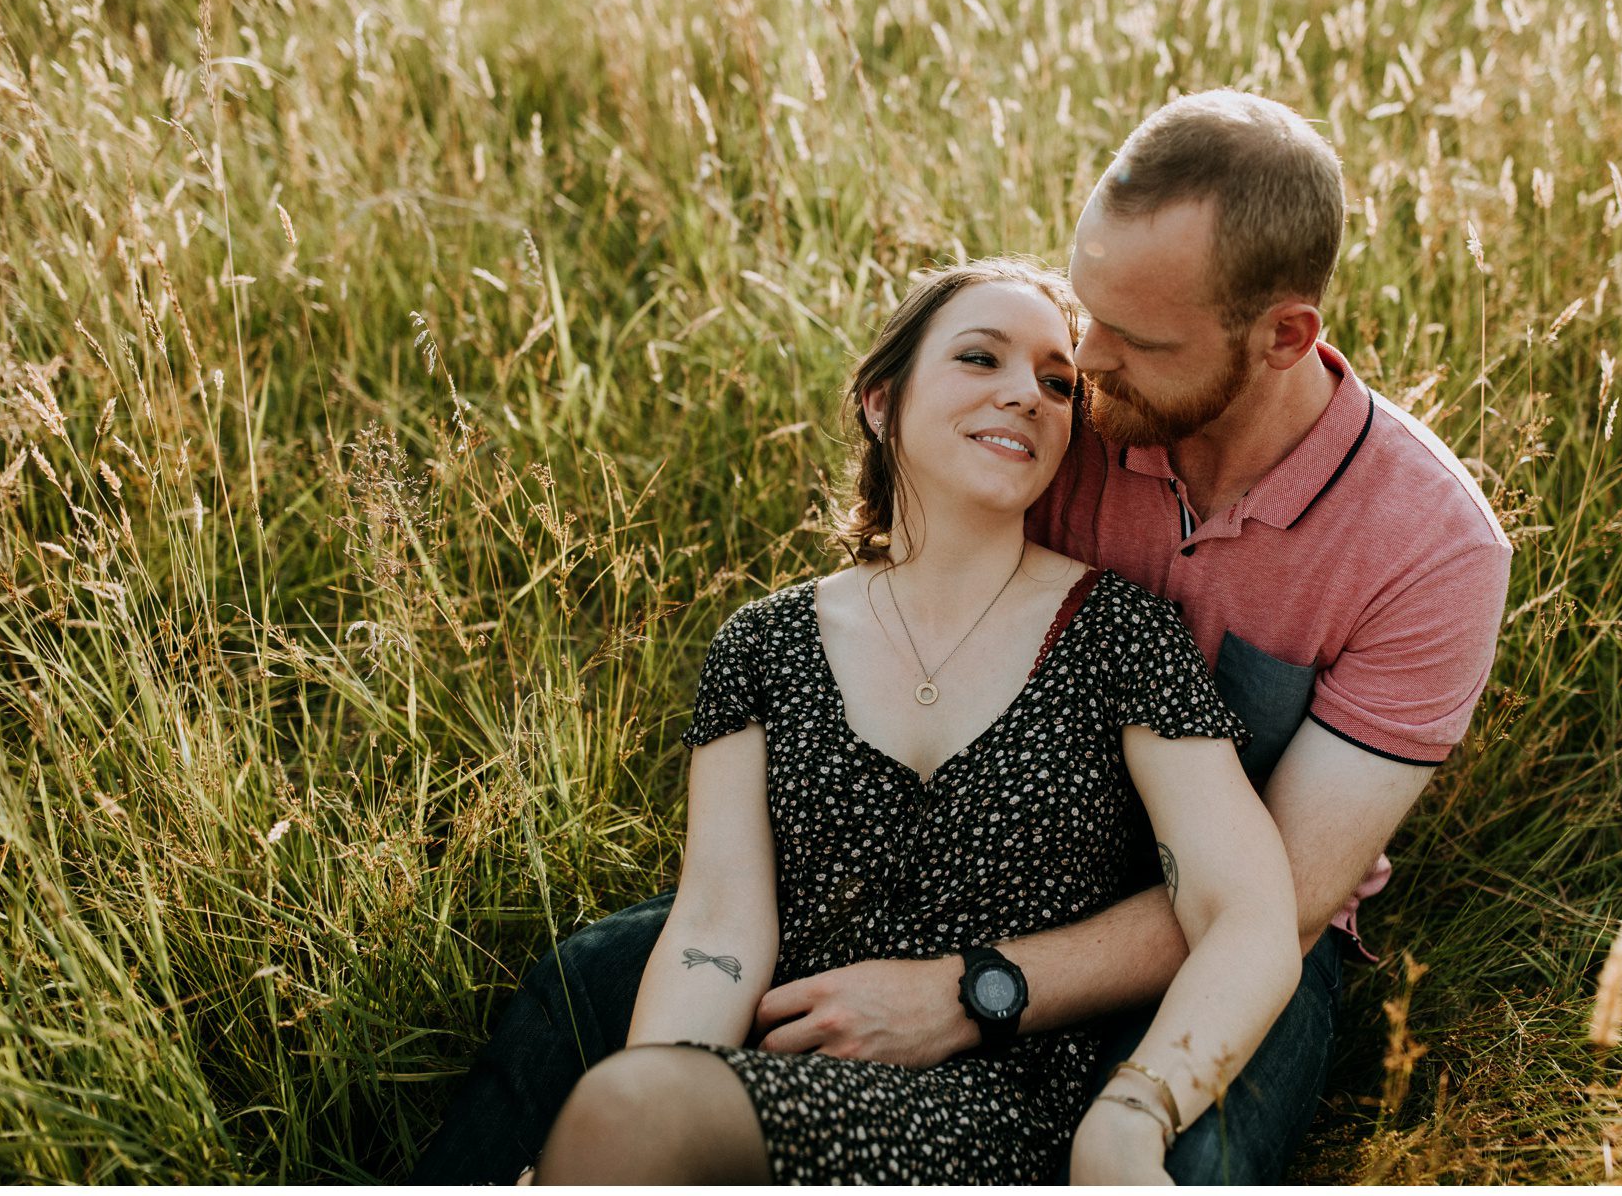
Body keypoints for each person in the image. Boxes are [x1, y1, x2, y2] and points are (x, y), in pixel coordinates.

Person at [410, 90, 1512, 1184]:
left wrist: (969, 991)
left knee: (1186, 1160)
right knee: (587, 986)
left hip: (1215, 913)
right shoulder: (1067, 413)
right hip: (931, 872)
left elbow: (1268, 900)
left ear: (1282, 338)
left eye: (1118, 343)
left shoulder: (1429, 551)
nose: (1076, 369)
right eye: (1081, 315)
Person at [520, 259, 1301, 1183]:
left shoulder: (1121, 632)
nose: (1027, 396)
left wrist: (1128, 1117)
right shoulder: (762, 644)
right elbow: (718, 927)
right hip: (770, 1092)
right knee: (629, 1108)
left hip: (999, 1117)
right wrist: (660, 1105)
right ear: (881, 402)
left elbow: (1247, 912)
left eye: (1058, 382)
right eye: (981, 359)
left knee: (629, 1113)